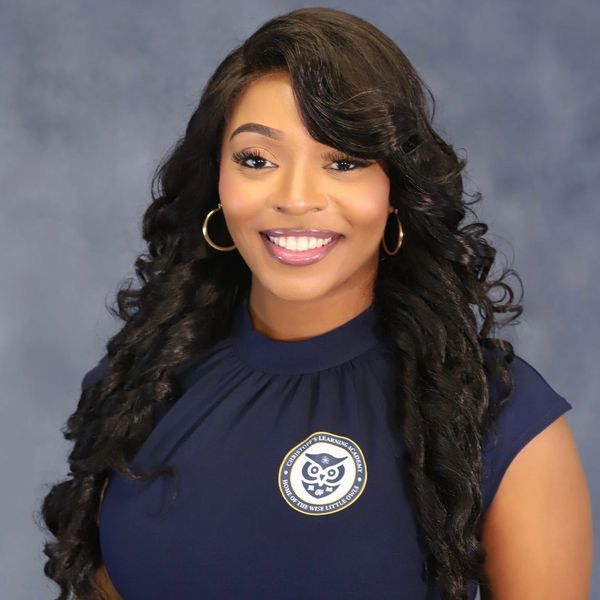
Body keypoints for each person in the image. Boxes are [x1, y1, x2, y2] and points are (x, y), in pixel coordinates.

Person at [40, 7, 593, 600]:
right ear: (217, 181)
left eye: (344, 162)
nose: (297, 199)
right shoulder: (144, 378)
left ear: (396, 191)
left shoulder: (499, 417)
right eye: (257, 160)